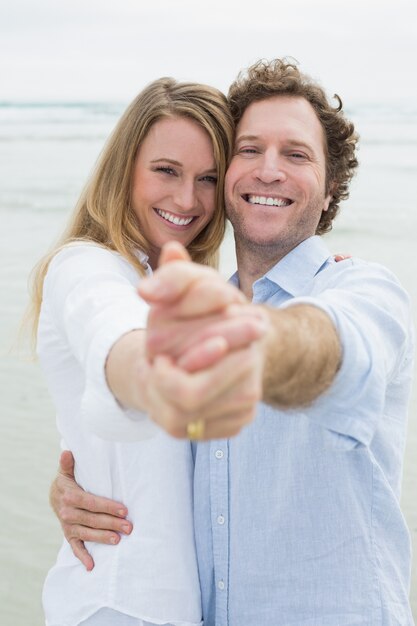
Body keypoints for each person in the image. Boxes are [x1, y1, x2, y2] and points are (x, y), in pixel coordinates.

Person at [50, 59, 415, 625]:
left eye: (296, 154)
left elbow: (332, 346)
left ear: (330, 189)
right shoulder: (187, 311)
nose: (269, 170)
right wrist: (78, 485)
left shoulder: (364, 290)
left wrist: (252, 341)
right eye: (248, 151)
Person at [31, 77, 268, 626]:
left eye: (207, 179)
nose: (187, 200)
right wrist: (157, 379)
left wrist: (322, 287)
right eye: (166, 170)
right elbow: (114, 335)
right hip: (121, 604)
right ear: (124, 168)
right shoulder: (85, 267)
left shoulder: (176, 282)